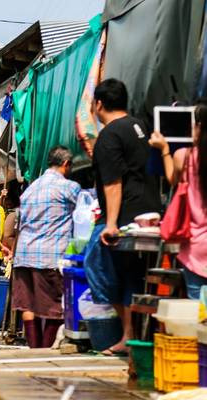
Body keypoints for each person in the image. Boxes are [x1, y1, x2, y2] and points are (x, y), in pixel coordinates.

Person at [85, 78, 160, 355]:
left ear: (99, 104)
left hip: (124, 217)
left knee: (96, 264)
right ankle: (130, 336)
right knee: (132, 275)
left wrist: (112, 223)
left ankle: (129, 333)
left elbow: (113, 182)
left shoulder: (109, 135)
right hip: (150, 211)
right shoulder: (141, 126)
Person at [12, 146, 81, 348]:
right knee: (55, 305)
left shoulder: (31, 188)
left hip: (24, 255)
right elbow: (85, 212)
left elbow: (19, 223)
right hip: (50, 256)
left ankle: (33, 347)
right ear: (66, 164)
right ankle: (43, 348)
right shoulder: (69, 188)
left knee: (28, 304)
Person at [149, 99, 207, 299]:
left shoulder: (185, 156)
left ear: (200, 127)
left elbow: (172, 179)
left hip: (197, 248)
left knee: (200, 312)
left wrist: (164, 148)